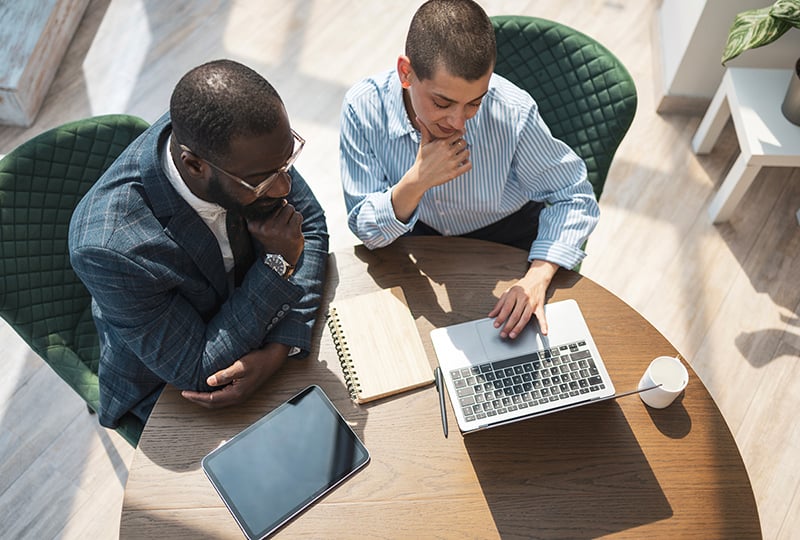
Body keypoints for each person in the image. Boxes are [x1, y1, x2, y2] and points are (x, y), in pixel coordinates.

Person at [69, 59, 329, 429]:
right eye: (263, 181)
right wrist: (277, 263)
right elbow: (196, 368)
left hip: (264, 334)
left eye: (287, 164)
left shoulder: (247, 148)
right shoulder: (109, 249)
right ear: (194, 166)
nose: (284, 188)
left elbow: (312, 225)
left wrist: (279, 348)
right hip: (173, 392)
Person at [339, 0, 599, 340]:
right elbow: (367, 232)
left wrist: (538, 274)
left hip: (509, 235)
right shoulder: (363, 108)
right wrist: (417, 181)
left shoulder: (513, 111)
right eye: (442, 103)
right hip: (415, 238)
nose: (458, 123)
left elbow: (575, 197)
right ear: (406, 72)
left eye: (474, 102)